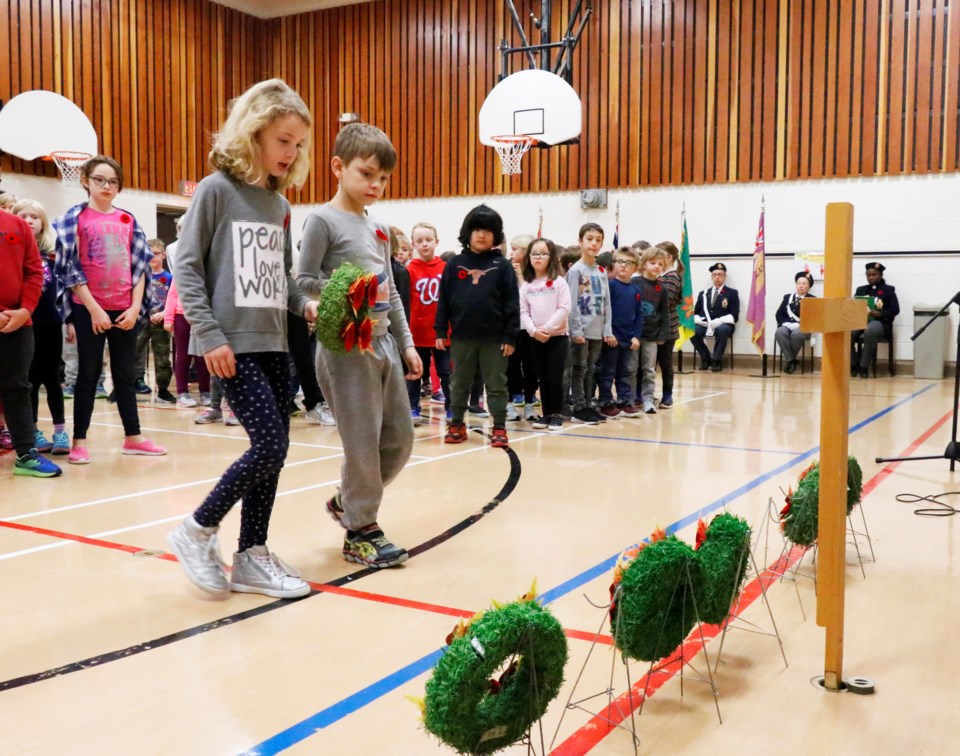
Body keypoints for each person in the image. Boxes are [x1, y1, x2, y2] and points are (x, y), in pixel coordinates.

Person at [167, 78, 316, 598]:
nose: (291, 152)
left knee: (275, 451)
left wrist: (308, 305)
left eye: (298, 144)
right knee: (270, 444)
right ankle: (196, 529)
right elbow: (184, 266)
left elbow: (286, 278)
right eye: (283, 139)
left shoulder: (277, 204)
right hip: (231, 345)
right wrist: (208, 335)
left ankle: (252, 554)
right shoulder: (215, 190)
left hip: (273, 343)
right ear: (253, 133)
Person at [297, 122, 422, 569]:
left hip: (385, 344)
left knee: (400, 440)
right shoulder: (321, 220)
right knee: (363, 445)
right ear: (338, 167)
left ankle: (349, 503)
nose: (375, 184)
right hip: (346, 349)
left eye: (383, 178)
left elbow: (390, 291)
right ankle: (361, 531)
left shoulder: (382, 229)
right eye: (367, 174)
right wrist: (328, 299)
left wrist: (406, 344)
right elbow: (299, 283)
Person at [53, 155, 167, 464]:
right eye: (100, 179)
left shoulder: (128, 220)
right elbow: (70, 270)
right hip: (88, 309)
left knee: (125, 375)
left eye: (113, 181)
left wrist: (133, 309)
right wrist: (94, 310)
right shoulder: (74, 219)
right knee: (88, 375)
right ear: (86, 181)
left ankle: (134, 437)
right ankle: (79, 441)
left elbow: (140, 268)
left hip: (124, 310)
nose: (107, 185)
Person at [435, 204, 518, 448]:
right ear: (468, 232)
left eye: (488, 230)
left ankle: (499, 427)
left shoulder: (502, 266)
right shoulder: (454, 264)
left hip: (495, 340)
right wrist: (441, 331)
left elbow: (512, 304)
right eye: (477, 229)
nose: (482, 235)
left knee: (495, 384)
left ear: (496, 235)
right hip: (462, 338)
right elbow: (444, 301)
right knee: (458, 383)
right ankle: (457, 423)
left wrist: (510, 336)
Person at [0, 206, 62, 477]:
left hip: (19, 323)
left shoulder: (18, 225)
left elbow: (34, 272)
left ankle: (26, 453)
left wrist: (25, 309)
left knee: (18, 388)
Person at [14, 199, 70, 455]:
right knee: (31, 380)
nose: (29, 220)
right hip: (25, 325)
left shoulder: (52, 254)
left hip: (51, 323)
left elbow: (66, 290)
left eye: (34, 216)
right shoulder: (14, 252)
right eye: (23, 216)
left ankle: (60, 431)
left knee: (53, 378)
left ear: (43, 221)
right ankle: (33, 431)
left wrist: (69, 321)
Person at [519, 238, 570, 431]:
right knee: (542, 377)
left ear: (551, 257)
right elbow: (523, 312)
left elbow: (564, 308)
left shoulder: (559, 282)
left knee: (554, 376)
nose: (538, 257)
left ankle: (556, 414)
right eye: (534, 253)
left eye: (543, 253)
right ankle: (546, 414)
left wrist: (547, 329)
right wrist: (533, 331)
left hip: (557, 337)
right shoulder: (526, 286)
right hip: (535, 338)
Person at [566, 223, 614, 423]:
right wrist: (576, 330)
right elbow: (571, 302)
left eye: (598, 240)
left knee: (591, 368)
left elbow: (606, 303)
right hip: (581, 330)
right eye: (589, 239)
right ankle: (578, 406)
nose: (594, 244)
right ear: (580, 241)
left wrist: (607, 328)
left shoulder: (601, 271)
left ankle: (587, 403)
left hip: (597, 329)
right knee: (580, 368)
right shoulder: (576, 270)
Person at [406, 222, 450, 423]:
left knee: (447, 372)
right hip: (416, 333)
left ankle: (452, 407)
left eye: (429, 240)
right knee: (415, 372)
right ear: (413, 244)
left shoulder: (446, 268)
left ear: (437, 241)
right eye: (420, 241)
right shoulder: (408, 270)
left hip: (442, 333)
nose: (425, 244)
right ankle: (412, 408)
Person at [597, 248, 643, 418]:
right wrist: (608, 333)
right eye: (620, 262)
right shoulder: (610, 286)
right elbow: (604, 312)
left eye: (628, 263)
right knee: (608, 372)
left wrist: (636, 336)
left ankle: (624, 402)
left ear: (635, 268)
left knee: (625, 372)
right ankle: (606, 402)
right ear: (614, 264)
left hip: (628, 338)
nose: (623, 266)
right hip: (612, 338)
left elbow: (639, 315)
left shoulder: (636, 290)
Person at [134, 239, 175, 401]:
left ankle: (163, 389)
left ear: (163, 255)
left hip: (161, 323)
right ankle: (125, 387)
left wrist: (165, 313)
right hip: (141, 321)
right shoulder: (140, 277)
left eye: (156, 253)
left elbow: (173, 299)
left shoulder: (169, 278)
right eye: (149, 253)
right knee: (132, 354)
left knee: (163, 357)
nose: (152, 257)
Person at [162, 278, 211, 407]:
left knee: (202, 356)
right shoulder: (180, 271)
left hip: (202, 316)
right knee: (183, 356)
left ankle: (205, 392)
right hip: (181, 316)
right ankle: (182, 393)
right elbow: (172, 295)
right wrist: (168, 319)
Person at [634, 248, 671, 413]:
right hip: (634, 335)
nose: (657, 266)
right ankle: (630, 399)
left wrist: (662, 335)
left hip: (651, 336)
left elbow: (665, 314)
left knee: (649, 370)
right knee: (631, 368)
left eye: (660, 264)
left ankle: (648, 399)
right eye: (653, 263)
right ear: (643, 264)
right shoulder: (635, 283)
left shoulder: (662, 289)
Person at [506, 233, 538, 421]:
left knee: (531, 368)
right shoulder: (506, 270)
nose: (511, 252)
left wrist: (520, 277)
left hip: (530, 328)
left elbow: (531, 297)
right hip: (512, 327)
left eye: (515, 248)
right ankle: (509, 404)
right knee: (511, 368)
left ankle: (529, 404)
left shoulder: (534, 274)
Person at [851, 262, 899, 378]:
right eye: (868, 275)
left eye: (874, 274)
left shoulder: (888, 290)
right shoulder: (861, 290)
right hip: (861, 321)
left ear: (880, 275)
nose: (871, 277)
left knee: (871, 331)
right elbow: (853, 307)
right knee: (847, 332)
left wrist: (880, 313)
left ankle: (863, 366)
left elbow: (895, 310)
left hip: (881, 323)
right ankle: (854, 363)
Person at [691, 262, 740, 372]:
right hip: (705, 324)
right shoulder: (703, 293)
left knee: (722, 330)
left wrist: (720, 320)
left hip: (723, 324)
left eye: (720, 274)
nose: (717, 277)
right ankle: (705, 358)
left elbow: (734, 315)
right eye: (715, 274)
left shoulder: (731, 293)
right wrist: (697, 319)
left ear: (724, 276)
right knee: (692, 331)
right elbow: (696, 312)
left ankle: (717, 360)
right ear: (711, 276)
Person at [653, 241, 682, 408]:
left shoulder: (672, 277)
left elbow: (663, 300)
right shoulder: (662, 276)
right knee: (652, 363)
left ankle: (667, 395)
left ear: (669, 257)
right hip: (655, 327)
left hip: (667, 328)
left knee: (665, 362)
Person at [775, 272, 816, 374]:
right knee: (780, 332)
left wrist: (799, 324)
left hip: (803, 327)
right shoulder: (787, 298)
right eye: (799, 283)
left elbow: (813, 318)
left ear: (809, 287)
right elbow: (779, 315)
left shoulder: (812, 299)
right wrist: (785, 323)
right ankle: (792, 360)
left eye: (804, 284)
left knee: (797, 334)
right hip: (787, 325)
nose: (801, 286)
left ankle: (790, 360)